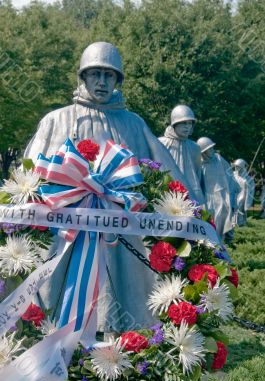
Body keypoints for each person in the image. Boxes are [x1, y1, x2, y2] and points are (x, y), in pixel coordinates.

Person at [24, 42, 191, 334]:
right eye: (95, 74)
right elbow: (27, 178)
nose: (102, 82)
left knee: (118, 292)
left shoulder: (133, 124)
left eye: (109, 75)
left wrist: (196, 211)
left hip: (119, 232)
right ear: (83, 77)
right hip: (68, 231)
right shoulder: (57, 120)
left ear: (117, 81)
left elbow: (166, 173)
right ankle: (56, 344)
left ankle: (115, 348)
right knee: (59, 296)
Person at [159, 105, 204, 204]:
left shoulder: (195, 147)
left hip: (191, 194)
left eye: (190, 123)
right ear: (175, 124)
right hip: (166, 191)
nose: (187, 127)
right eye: (184, 123)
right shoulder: (161, 143)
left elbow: (198, 174)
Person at [197, 137, 240, 240]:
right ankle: (212, 243)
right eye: (209, 149)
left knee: (222, 217)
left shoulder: (219, 159)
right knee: (211, 220)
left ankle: (221, 241)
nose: (212, 150)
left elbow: (229, 174)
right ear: (203, 151)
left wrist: (234, 187)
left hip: (222, 194)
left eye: (212, 148)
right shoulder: (199, 164)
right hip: (208, 197)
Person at [233, 159, 249, 226]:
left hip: (242, 194)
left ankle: (241, 222)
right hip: (235, 194)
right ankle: (233, 221)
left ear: (242, 167)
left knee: (240, 208)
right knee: (233, 208)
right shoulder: (233, 174)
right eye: (236, 166)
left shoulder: (246, 177)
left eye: (238, 166)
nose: (236, 168)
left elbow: (247, 187)